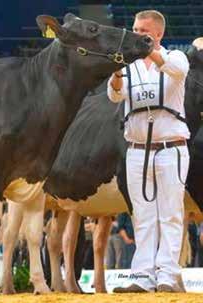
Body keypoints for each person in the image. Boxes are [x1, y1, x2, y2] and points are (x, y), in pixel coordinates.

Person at [108, 10, 190, 293]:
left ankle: (167, 275)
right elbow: (115, 94)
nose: (136, 33)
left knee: (170, 213)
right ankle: (142, 276)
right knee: (142, 215)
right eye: (134, 28)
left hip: (172, 148)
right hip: (137, 149)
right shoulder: (130, 67)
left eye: (142, 29)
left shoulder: (177, 57)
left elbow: (175, 71)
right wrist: (118, 69)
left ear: (158, 34)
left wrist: (148, 51)